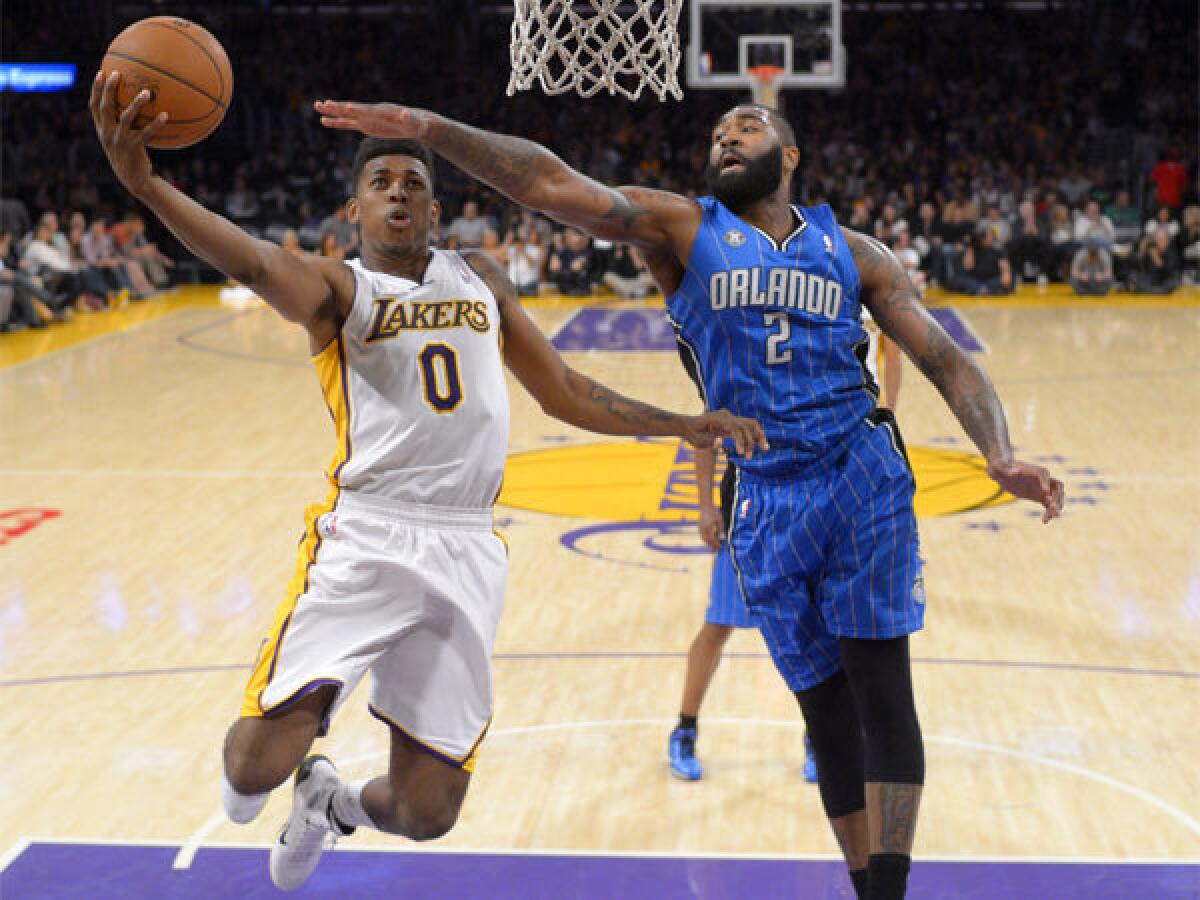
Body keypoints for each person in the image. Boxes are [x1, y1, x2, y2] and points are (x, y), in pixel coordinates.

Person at [314, 95, 1064, 900]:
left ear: (791, 153)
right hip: (764, 494)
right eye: (716, 132)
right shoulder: (681, 229)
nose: (727, 137)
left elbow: (944, 356)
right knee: (826, 715)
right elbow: (549, 184)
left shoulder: (858, 252)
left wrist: (1000, 452)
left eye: (747, 126)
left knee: (883, 690)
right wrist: (432, 132)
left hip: (861, 475)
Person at [90, 72, 766, 893]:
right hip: (368, 535)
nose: (399, 194)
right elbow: (260, 263)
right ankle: (278, 778)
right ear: (356, 212)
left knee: (428, 808)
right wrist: (148, 184)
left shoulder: (480, 274)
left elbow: (563, 391)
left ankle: (331, 808)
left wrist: (680, 424)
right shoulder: (341, 290)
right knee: (248, 773)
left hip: (464, 543)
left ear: (438, 212)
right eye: (380, 184)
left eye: (415, 184)